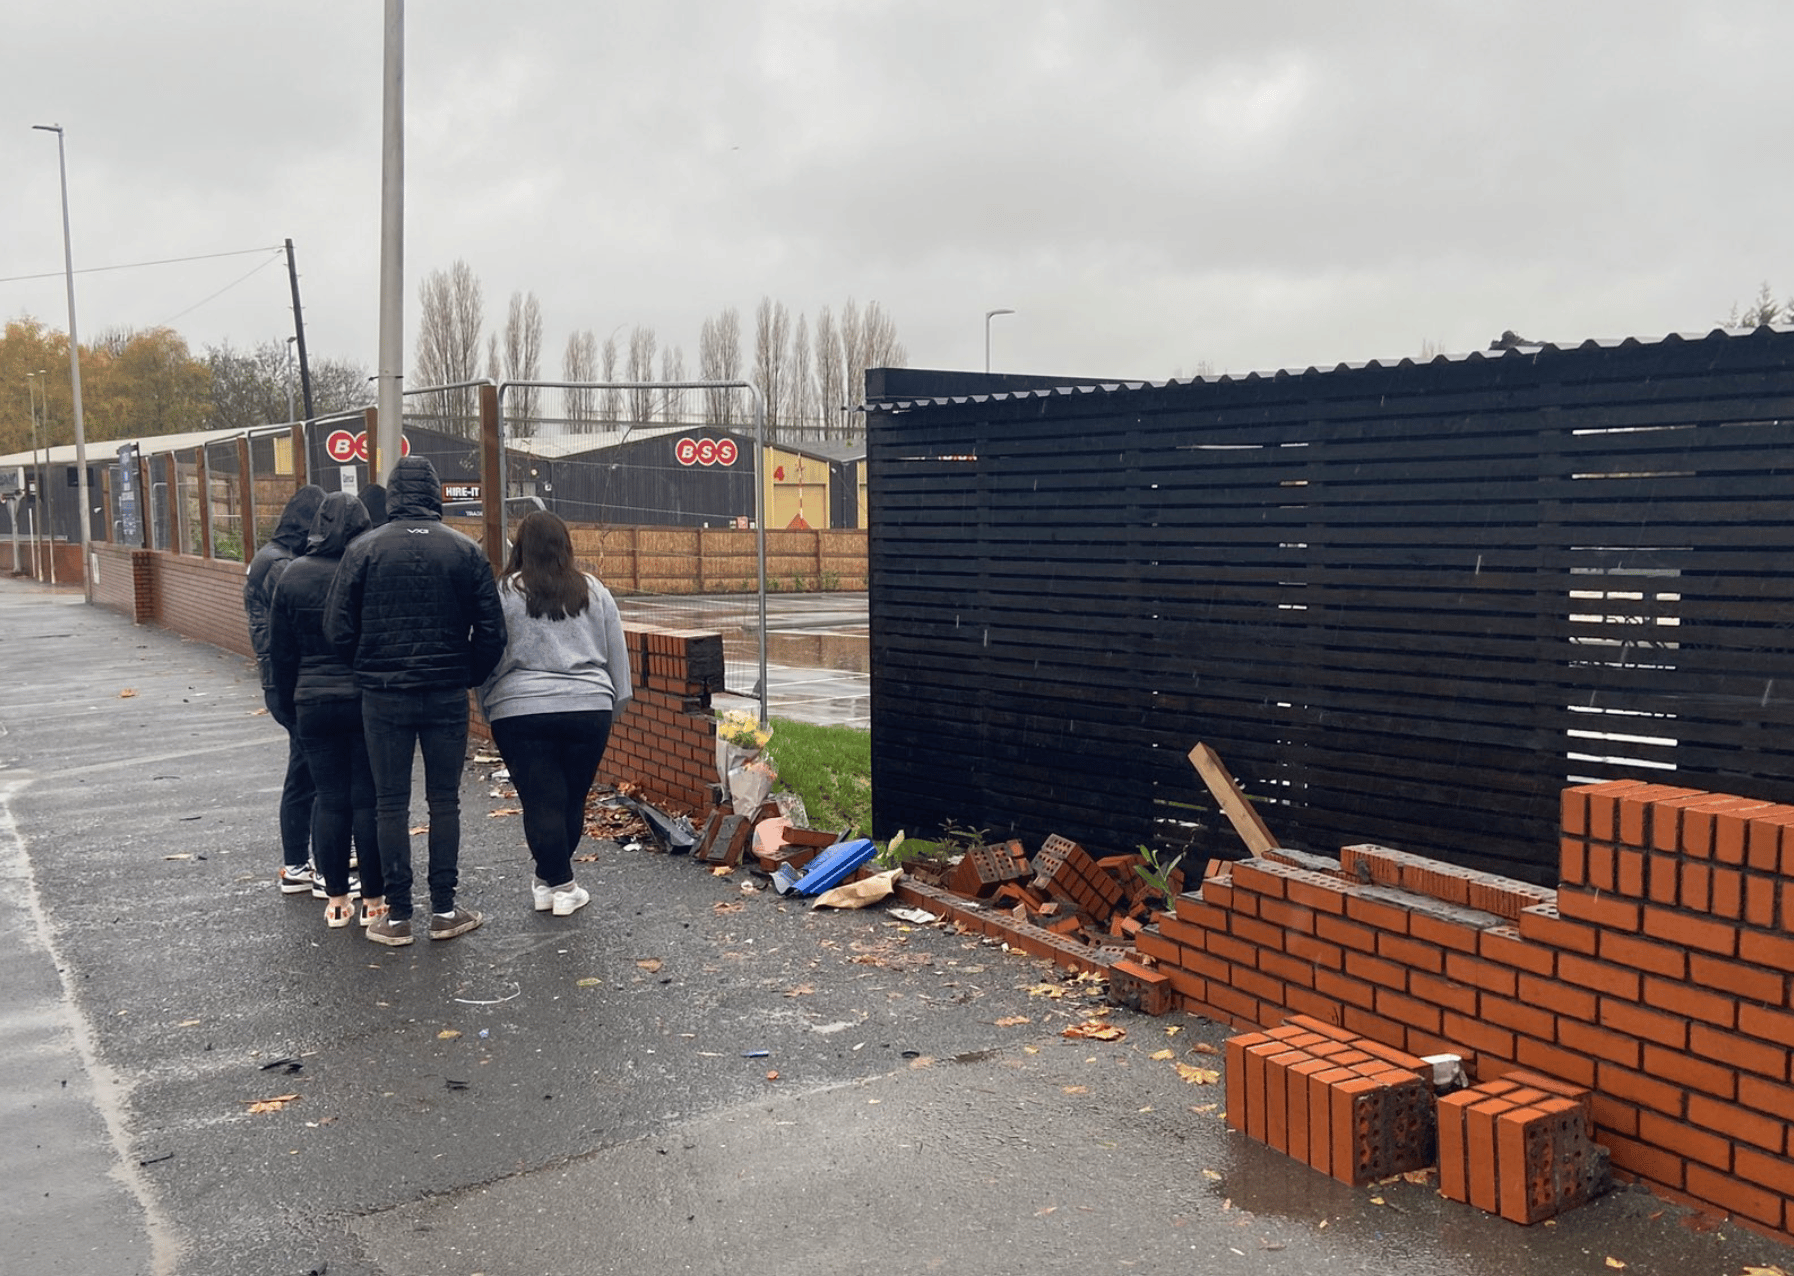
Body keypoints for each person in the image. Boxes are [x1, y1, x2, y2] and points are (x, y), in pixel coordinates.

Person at [324, 457, 506, 947]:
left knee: (390, 803)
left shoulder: (363, 550)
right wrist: (464, 673)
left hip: (383, 696)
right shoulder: (465, 551)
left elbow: (337, 628)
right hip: (446, 693)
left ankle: (398, 913)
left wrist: (368, 665)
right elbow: (492, 631)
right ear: (435, 493)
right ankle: (444, 908)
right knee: (444, 800)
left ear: (393, 495)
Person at [479, 511, 633, 917]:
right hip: (589, 707)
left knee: (539, 800)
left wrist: (489, 703)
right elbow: (617, 652)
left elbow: (490, 653)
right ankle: (552, 881)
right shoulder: (594, 590)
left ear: (520, 548)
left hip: (519, 710)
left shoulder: (503, 592)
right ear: (566, 546)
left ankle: (557, 883)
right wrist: (614, 703)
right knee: (571, 799)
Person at [268, 492, 385, 929]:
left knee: (330, 799)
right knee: (368, 800)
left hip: (312, 703)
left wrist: (288, 705)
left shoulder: (293, 575)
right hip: (365, 702)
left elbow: (280, 652)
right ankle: (374, 898)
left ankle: (336, 898)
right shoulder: (368, 570)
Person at [244, 484, 325, 895]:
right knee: (308, 773)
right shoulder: (281, 566)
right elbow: (298, 624)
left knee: (305, 769)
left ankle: (302, 859)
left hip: (278, 679)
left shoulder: (269, 558)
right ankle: (300, 862)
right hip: (289, 681)